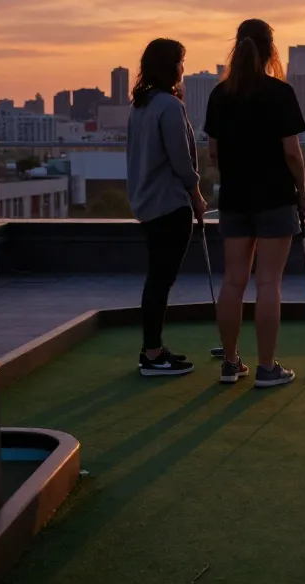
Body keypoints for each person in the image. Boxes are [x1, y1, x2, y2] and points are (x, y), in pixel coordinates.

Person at [204, 18, 305, 388]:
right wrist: (303, 191)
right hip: (275, 199)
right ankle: (267, 368)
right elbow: (293, 154)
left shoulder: (220, 95)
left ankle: (230, 363)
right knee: (269, 283)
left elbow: (214, 153)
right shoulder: (279, 93)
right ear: (270, 49)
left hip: (234, 198)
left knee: (233, 282)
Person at [125, 38, 208, 377]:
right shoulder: (170, 107)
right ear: (171, 67)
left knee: (156, 278)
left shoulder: (140, 105)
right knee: (161, 280)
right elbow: (182, 160)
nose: (183, 70)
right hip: (169, 204)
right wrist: (197, 195)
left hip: (146, 203)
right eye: (181, 63)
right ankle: (153, 353)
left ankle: (153, 348)